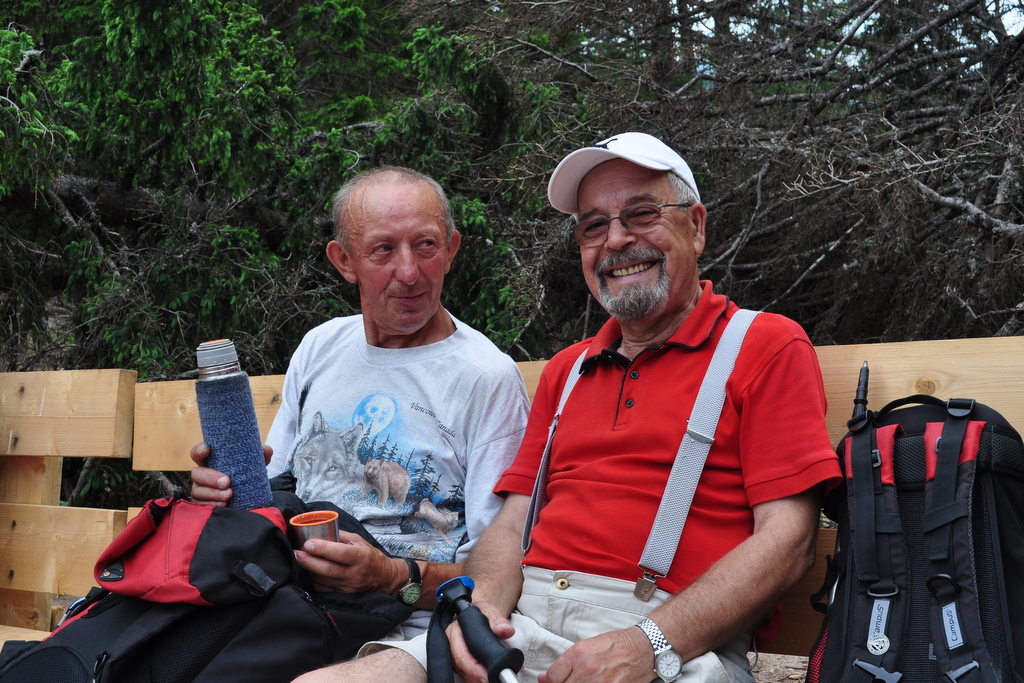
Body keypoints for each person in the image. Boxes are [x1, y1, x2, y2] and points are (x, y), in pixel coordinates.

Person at [295, 133, 841, 683]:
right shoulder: (569, 370)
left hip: (671, 645)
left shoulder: (764, 346)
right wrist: (479, 613)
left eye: (642, 214)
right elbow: (512, 525)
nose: (617, 240)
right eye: (594, 226)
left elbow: (789, 542)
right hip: (522, 630)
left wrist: (647, 643)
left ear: (695, 226)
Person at [190, 166, 530, 639]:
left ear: (451, 250)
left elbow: (498, 573)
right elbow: (270, 501)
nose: (409, 273)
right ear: (344, 261)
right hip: (286, 605)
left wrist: (389, 577)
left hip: (406, 629)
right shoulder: (320, 347)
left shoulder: (485, 378)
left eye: (426, 245)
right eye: (383, 250)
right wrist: (222, 493)